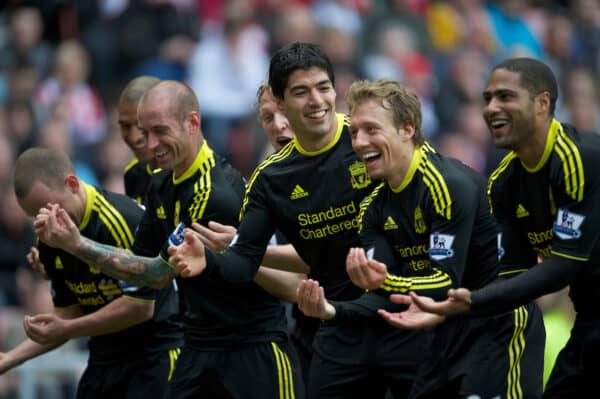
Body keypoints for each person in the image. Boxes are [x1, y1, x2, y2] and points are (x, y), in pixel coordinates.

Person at [168, 42, 427, 399]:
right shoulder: (271, 178)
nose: (316, 101)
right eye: (301, 92)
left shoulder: (372, 140)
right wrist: (212, 258)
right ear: (280, 101)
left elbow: (431, 200)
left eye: (323, 88)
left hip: (403, 313)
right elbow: (248, 262)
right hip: (336, 324)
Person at [34, 80, 304, 398]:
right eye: (144, 132)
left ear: (192, 122)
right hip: (198, 347)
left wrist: (76, 245)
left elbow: (157, 275)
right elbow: (137, 267)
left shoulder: (214, 193)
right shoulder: (159, 181)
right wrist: (68, 258)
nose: (149, 143)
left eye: (160, 131)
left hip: (254, 349)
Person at [384, 57, 600, 398]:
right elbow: (511, 275)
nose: (491, 108)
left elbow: (564, 264)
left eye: (505, 97)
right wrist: (440, 302)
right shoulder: (503, 183)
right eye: (487, 98)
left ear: (543, 102)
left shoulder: (578, 159)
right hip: (591, 320)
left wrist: (471, 301)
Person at [2, 147, 182, 399]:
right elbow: (68, 312)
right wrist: (10, 358)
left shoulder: (122, 220)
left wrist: (69, 329)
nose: (44, 220)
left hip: (154, 356)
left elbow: (140, 308)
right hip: (104, 357)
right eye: (35, 216)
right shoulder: (50, 234)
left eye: (49, 207)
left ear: (72, 184)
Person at [118, 75, 162, 204]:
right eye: (125, 126)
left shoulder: (200, 179)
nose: (134, 137)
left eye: (141, 125)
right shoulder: (133, 174)